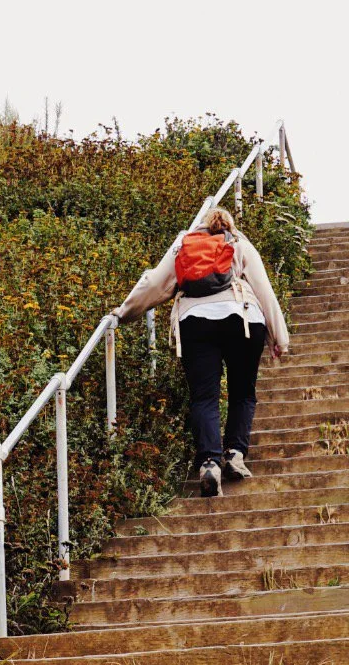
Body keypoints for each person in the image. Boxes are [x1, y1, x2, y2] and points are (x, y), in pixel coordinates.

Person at [114, 204, 289, 497]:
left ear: (201, 225)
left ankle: (209, 463)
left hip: (195, 321)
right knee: (242, 392)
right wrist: (278, 338)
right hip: (243, 319)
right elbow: (264, 289)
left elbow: (155, 283)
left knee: (204, 397)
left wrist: (123, 312)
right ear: (229, 223)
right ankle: (234, 453)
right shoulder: (239, 241)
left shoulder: (184, 242)